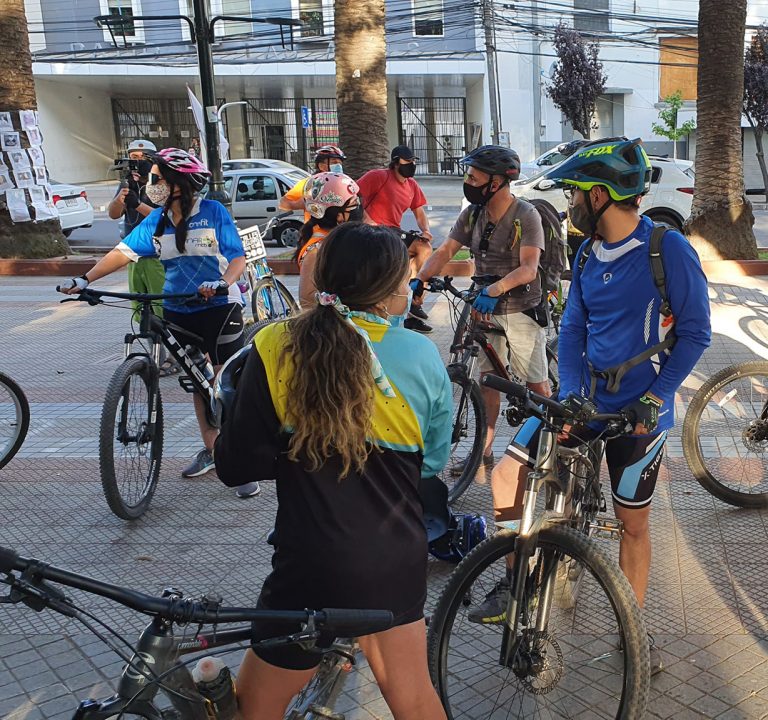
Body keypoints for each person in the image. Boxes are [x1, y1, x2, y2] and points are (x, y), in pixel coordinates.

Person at [472, 139, 711, 676]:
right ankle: (513, 578)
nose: (569, 204)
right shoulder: (585, 252)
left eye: (576, 194)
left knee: (632, 524)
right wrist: (573, 390)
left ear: (599, 196)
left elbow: (696, 333)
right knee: (509, 472)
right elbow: (575, 327)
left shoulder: (666, 249)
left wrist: (656, 395)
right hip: (584, 401)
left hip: (639, 414)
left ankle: (635, 629)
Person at [214, 223, 452, 720]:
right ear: (387, 291)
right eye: (405, 282)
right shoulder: (422, 355)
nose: (409, 291)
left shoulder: (276, 343)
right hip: (391, 562)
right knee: (414, 701)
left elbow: (238, 466)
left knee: (253, 708)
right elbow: (430, 463)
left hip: (309, 564)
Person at [60, 148, 249, 486]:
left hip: (220, 308)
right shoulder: (156, 220)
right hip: (177, 308)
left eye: (157, 179)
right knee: (196, 380)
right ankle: (216, 452)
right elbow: (123, 252)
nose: (152, 184)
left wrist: (223, 283)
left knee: (224, 384)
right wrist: (84, 280)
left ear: (178, 183)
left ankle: (240, 456)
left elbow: (237, 259)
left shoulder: (213, 212)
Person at [412, 144, 550, 478]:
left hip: (519, 307)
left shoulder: (525, 216)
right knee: (487, 383)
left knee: (536, 386)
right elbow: (446, 249)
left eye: (474, 176)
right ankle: (482, 450)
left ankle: (545, 450)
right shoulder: (473, 214)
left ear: (498, 181)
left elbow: (530, 268)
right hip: (483, 307)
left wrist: (496, 288)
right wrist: (421, 279)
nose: (468, 181)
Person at [107, 140, 181, 375]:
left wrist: (137, 204)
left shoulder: (160, 184)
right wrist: (121, 199)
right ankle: (154, 354)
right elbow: (113, 214)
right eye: (132, 157)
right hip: (134, 253)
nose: (135, 162)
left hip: (157, 253)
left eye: (140, 157)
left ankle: (171, 356)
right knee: (141, 307)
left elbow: (164, 217)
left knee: (161, 306)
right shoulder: (128, 183)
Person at [357, 145, 433, 333]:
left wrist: (426, 230)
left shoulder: (412, 185)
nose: (412, 165)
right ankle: (407, 309)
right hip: (374, 232)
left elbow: (419, 211)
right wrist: (369, 221)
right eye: (408, 161)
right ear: (396, 162)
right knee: (401, 267)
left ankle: (415, 299)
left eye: (414, 161)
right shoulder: (378, 176)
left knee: (424, 248)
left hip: (394, 231)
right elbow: (354, 195)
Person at [294, 171, 361, 308]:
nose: (358, 209)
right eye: (354, 205)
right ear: (338, 216)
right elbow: (307, 301)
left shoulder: (338, 238)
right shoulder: (316, 251)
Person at [278, 144, 346, 222]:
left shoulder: (344, 183)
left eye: (340, 163)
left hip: (341, 231)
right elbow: (283, 203)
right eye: (334, 162)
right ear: (321, 166)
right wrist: (306, 203)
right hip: (316, 231)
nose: (338, 166)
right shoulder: (309, 183)